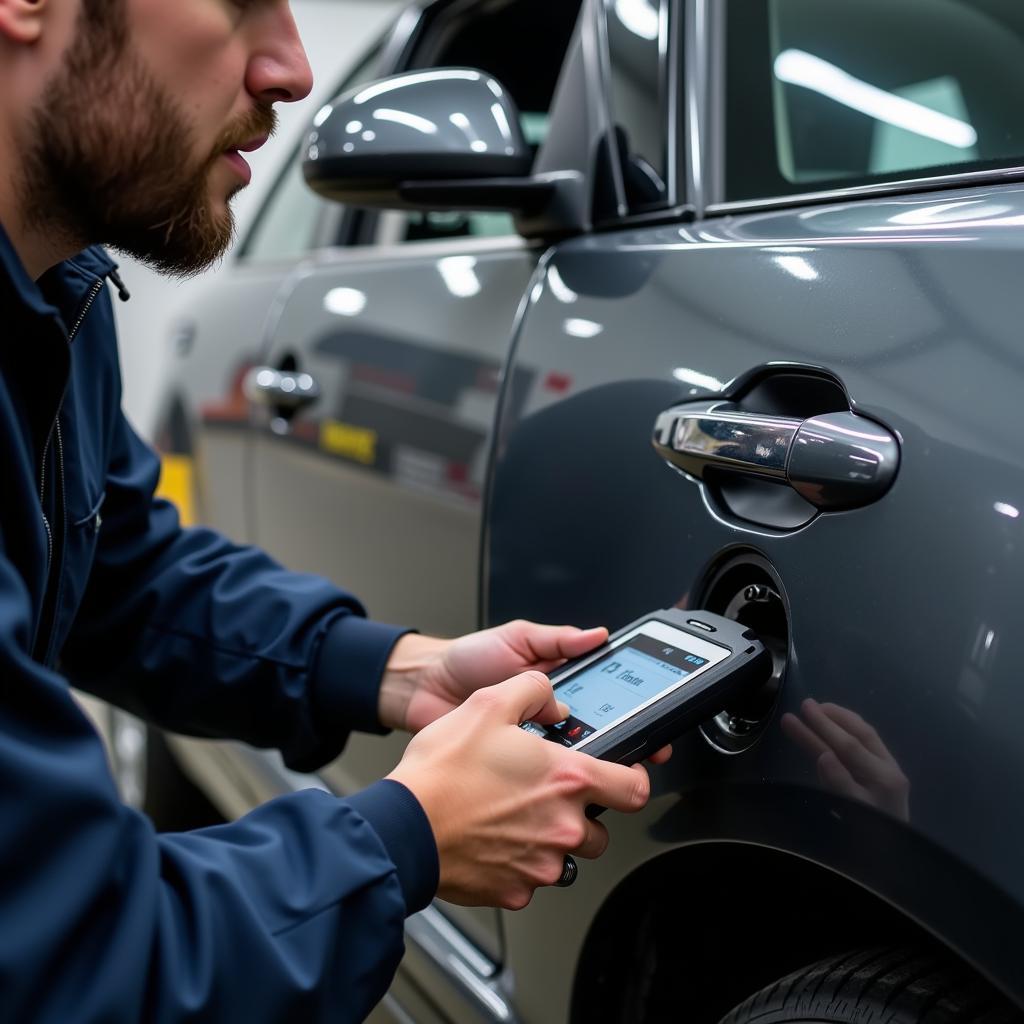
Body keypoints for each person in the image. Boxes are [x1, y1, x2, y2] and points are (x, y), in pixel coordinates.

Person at [0, 1, 669, 1020]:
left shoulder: (61, 294)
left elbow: (121, 576)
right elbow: (69, 965)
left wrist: (402, 674)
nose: (295, 70)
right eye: (239, 5)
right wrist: (411, 832)